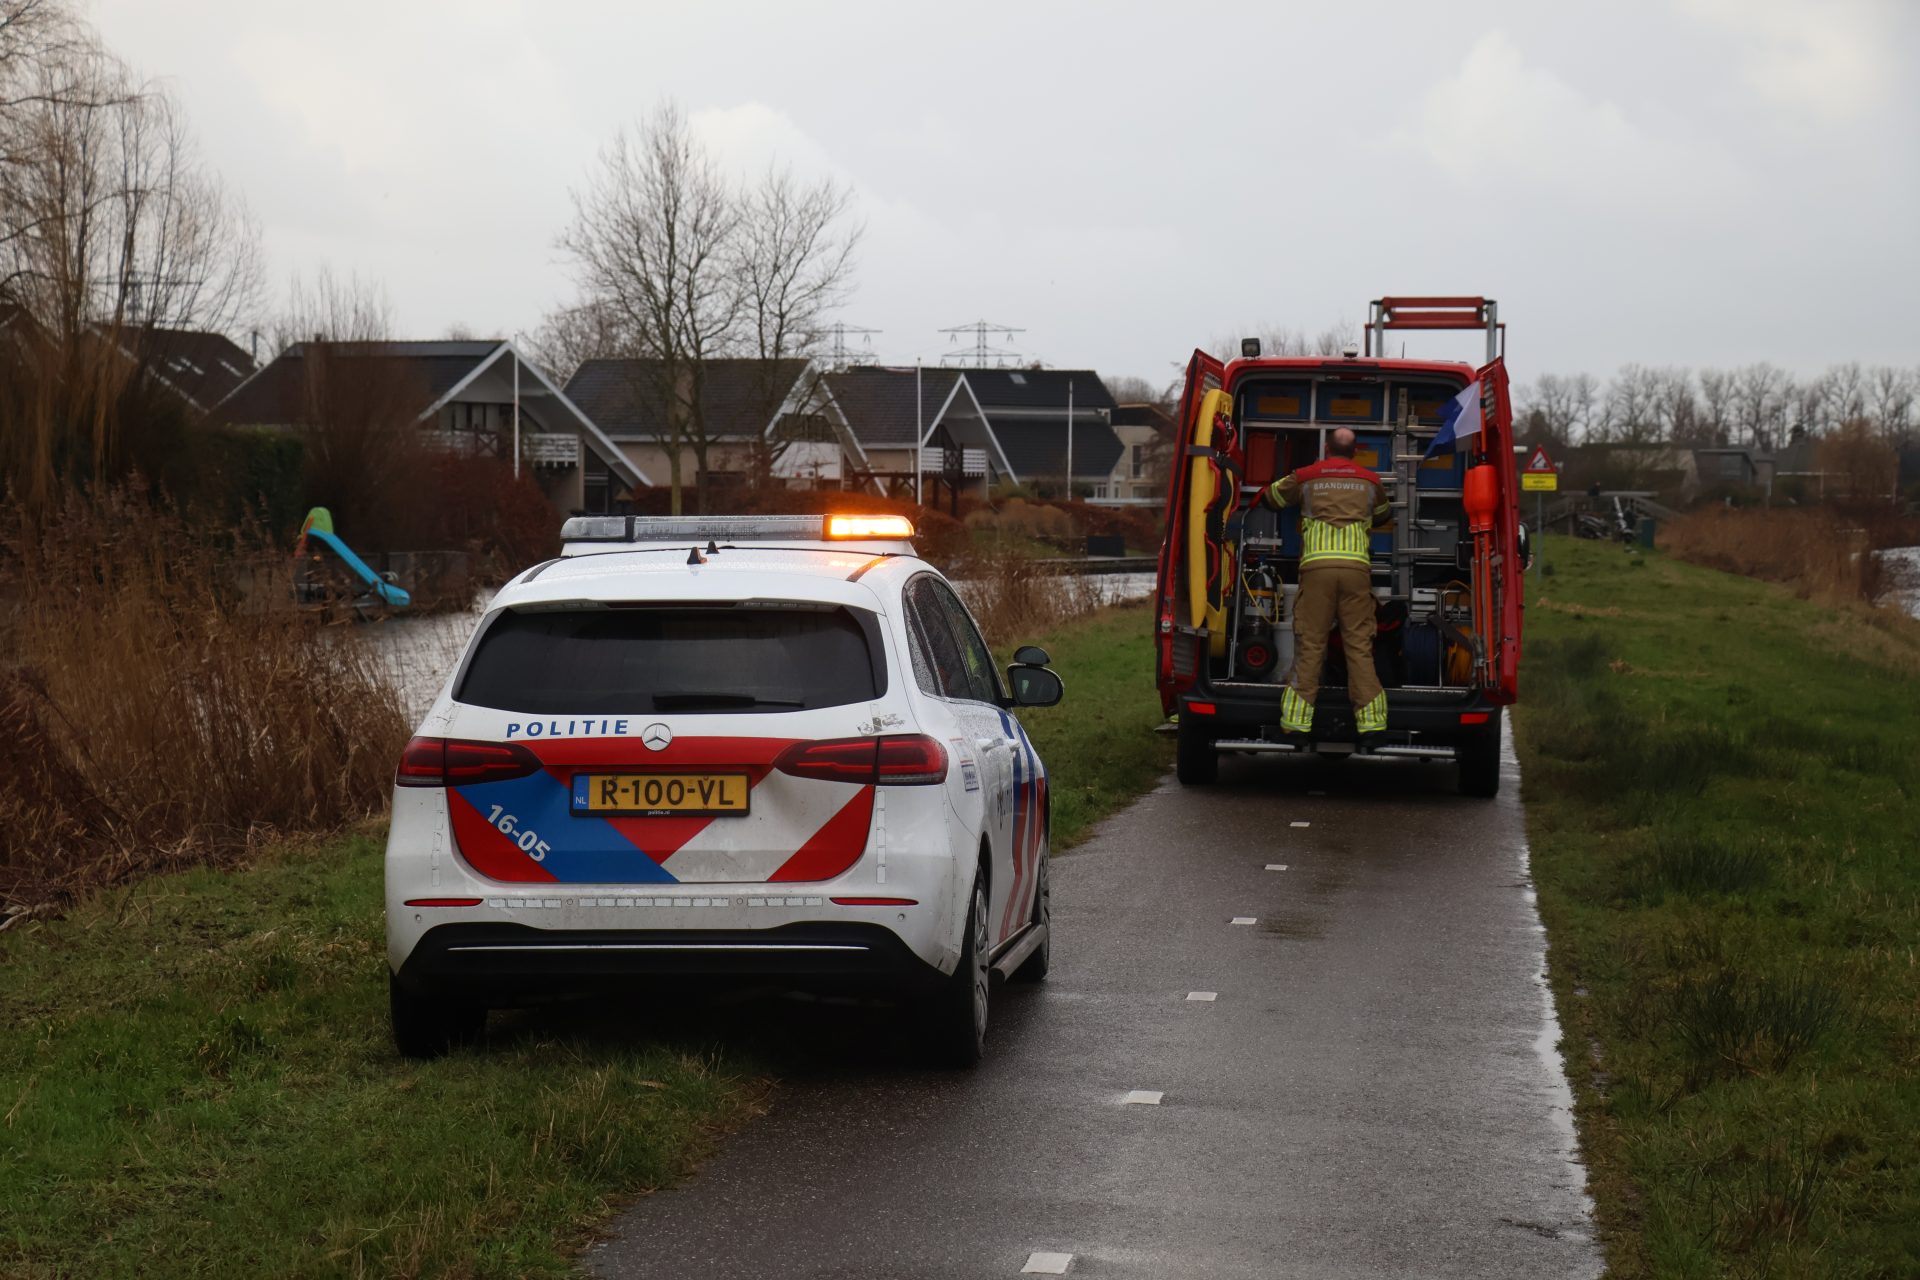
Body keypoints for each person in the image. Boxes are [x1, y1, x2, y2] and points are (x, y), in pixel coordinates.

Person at [1259, 427, 1392, 740]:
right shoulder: (1371, 481)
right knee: (1359, 646)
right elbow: (1383, 515)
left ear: (1326, 449)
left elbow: (1271, 498)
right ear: (1355, 451)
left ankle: (1296, 723)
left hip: (1316, 570)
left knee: (1310, 645)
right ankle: (1372, 725)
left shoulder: (1306, 476)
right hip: (1356, 571)